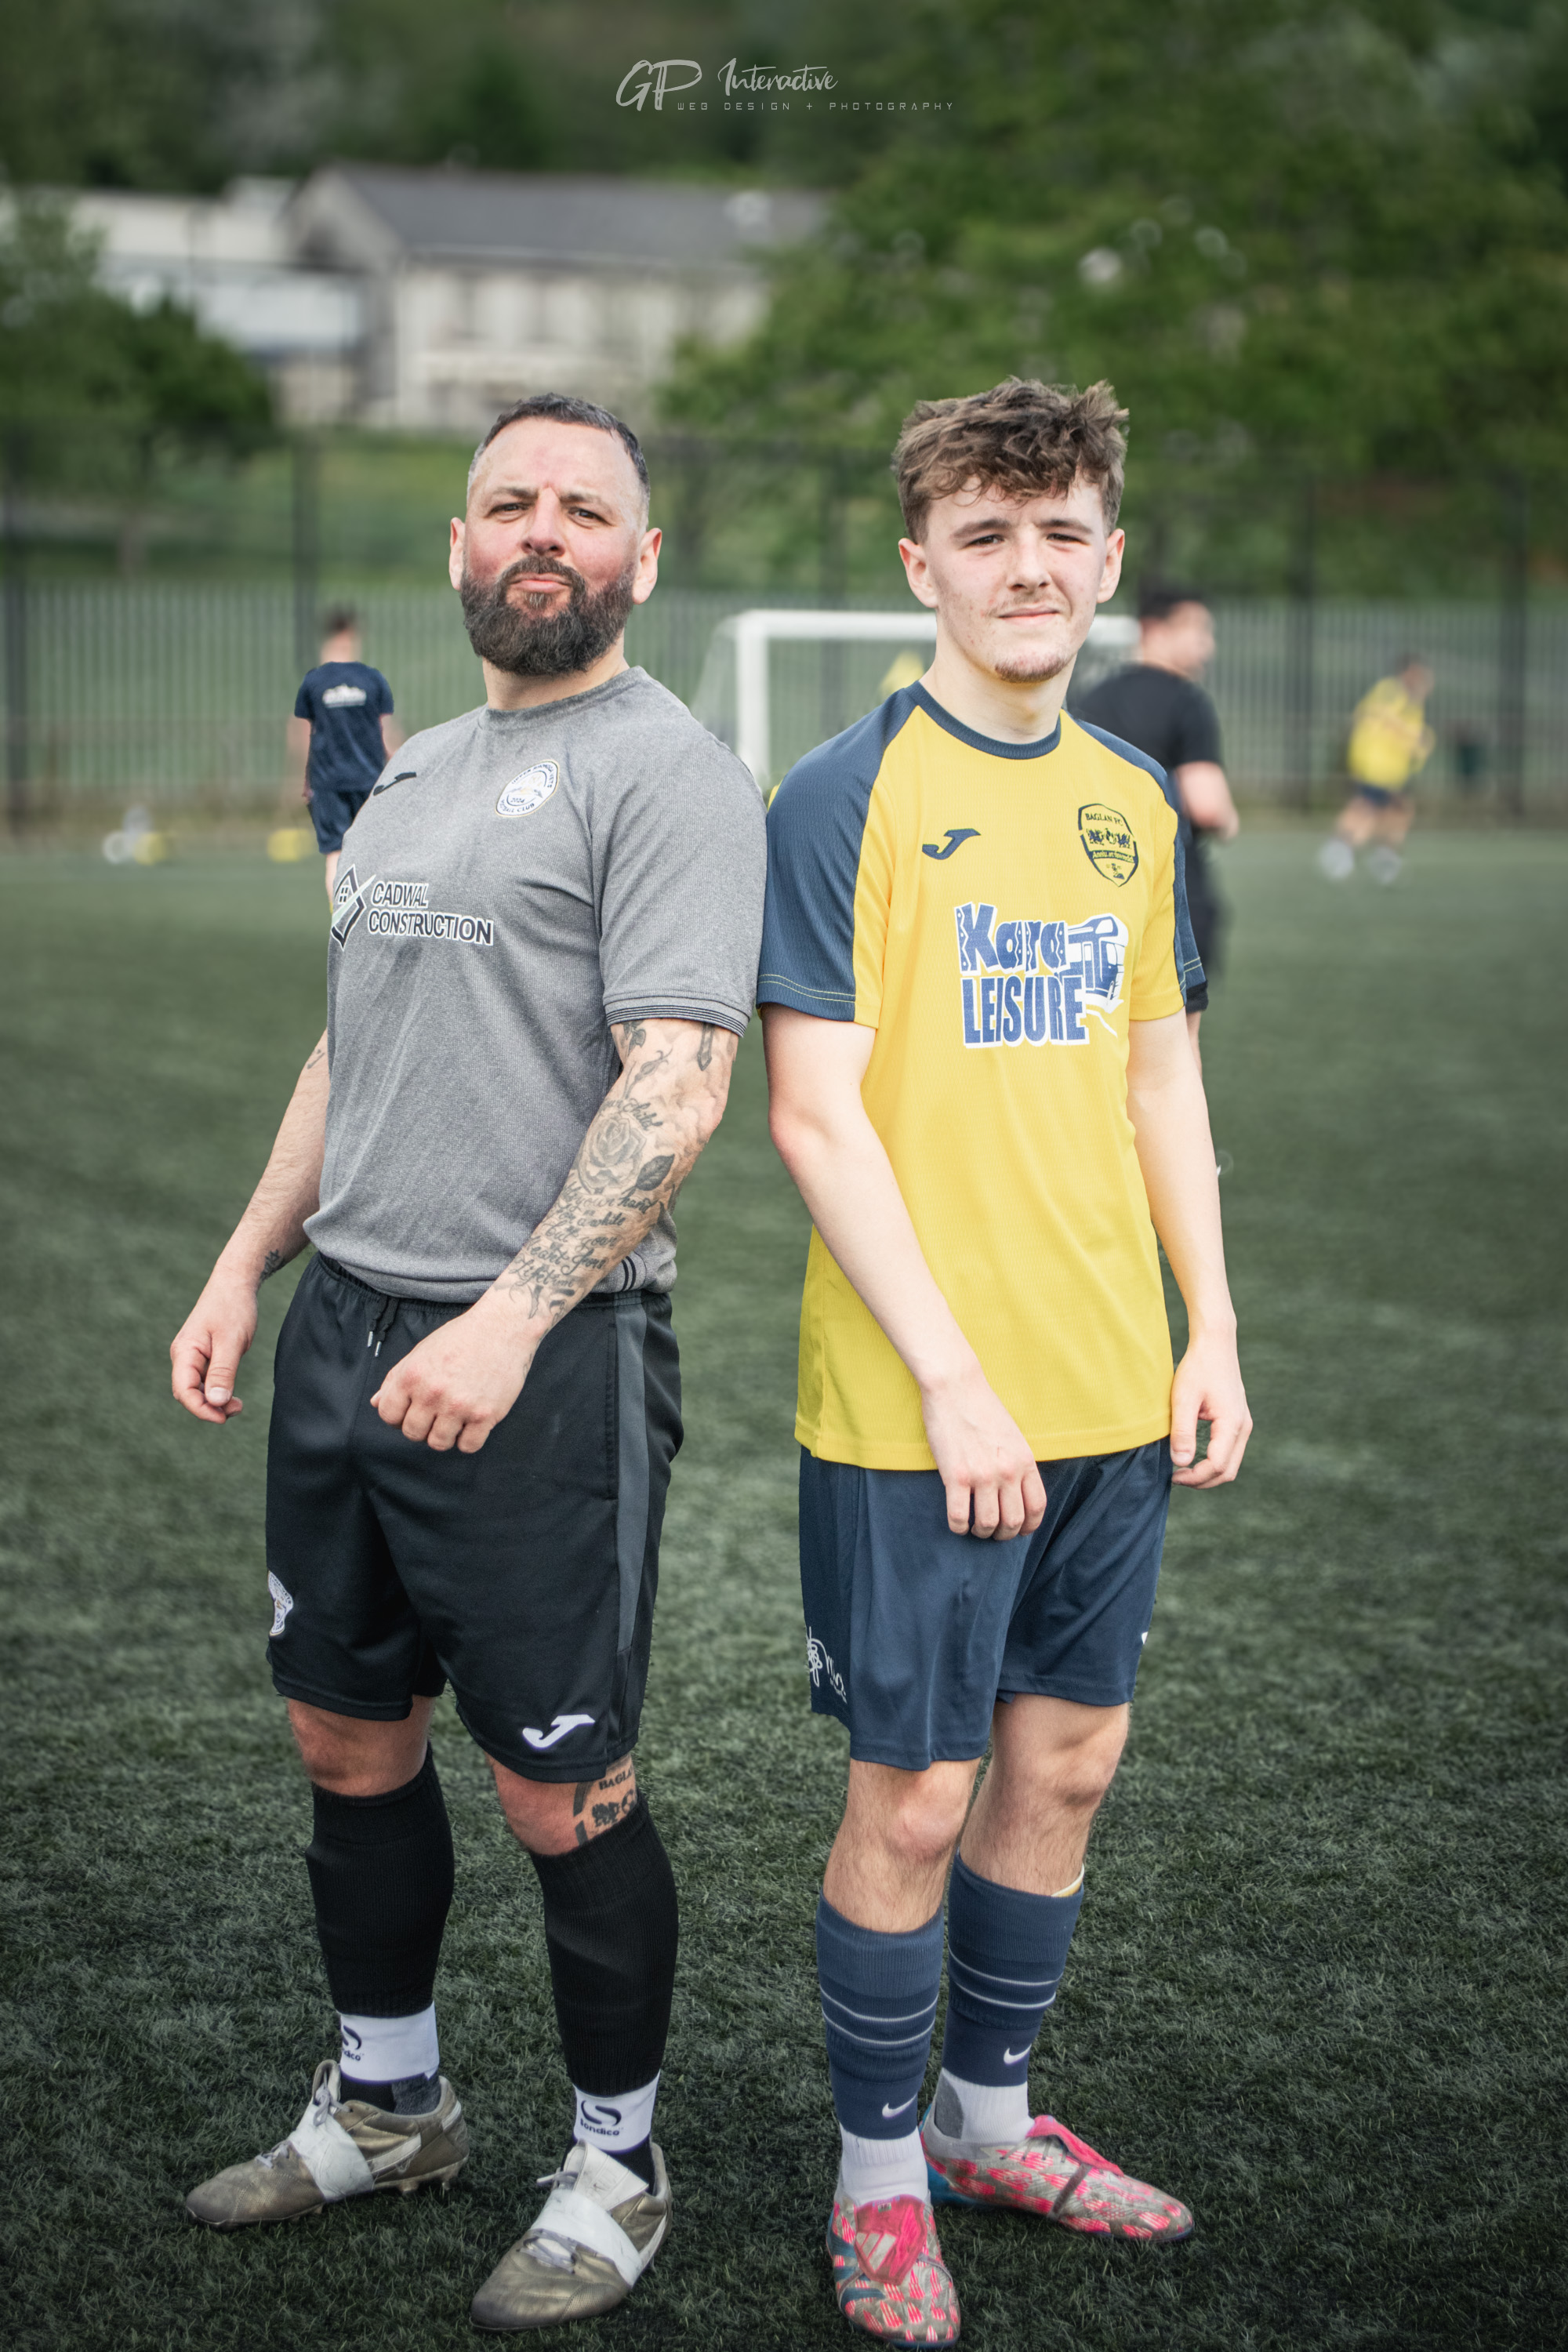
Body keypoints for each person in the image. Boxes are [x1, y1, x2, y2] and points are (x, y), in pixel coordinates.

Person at [170, 394, 765, 2331]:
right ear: (456, 544)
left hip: (548, 1357)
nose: (544, 529)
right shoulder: (410, 772)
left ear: (639, 560)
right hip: (342, 1333)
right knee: (345, 1735)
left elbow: (678, 1083)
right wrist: (247, 1258)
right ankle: (391, 2097)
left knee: (556, 1786)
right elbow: (356, 1047)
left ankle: (616, 2162)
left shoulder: (665, 771)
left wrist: (509, 1315)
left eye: (585, 508)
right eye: (508, 498)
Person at [757, 377, 1251, 2346]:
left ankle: (986, 2118)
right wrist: (953, 1375)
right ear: (918, 566)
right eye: (984, 531)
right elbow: (808, 1113)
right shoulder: (840, 793)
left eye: (1059, 532)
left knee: (1064, 1758)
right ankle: (876, 2186)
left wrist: (1204, 1322)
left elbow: (1156, 1076)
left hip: (1109, 1389)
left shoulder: (1129, 801)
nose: (1026, 566)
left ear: (1107, 562)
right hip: (914, 1408)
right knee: (909, 1793)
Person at [1075, 582, 1240, 1071]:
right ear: (1154, 629)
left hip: (1092, 893)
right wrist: (1230, 821)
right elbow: (1209, 806)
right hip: (1172, 894)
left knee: (1100, 1045)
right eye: (1195, 630)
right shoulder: (1187, 701)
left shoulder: (1091, 697)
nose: (1206, 645)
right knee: (1173, 1054)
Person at [289, 609, 401, 900]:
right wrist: (402, 770)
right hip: (369, 782)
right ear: (351, 636)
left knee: (335, 855)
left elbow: (301, 734)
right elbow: (387, 734)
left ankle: (340, 921)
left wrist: (302, 777)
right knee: (374, 853)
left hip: (328, 784)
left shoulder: (313, 683)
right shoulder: (373, 680)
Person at [1318, 656, 1435, 884]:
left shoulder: (1411, 702)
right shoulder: (1391, 692)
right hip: (1375, 765)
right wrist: (1416, 740)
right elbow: (1384, 721)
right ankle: (1341, 849)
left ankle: (1382, 853)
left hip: (1391, 769)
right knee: (1366, 808)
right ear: (1408, 672)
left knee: (1396, 810)